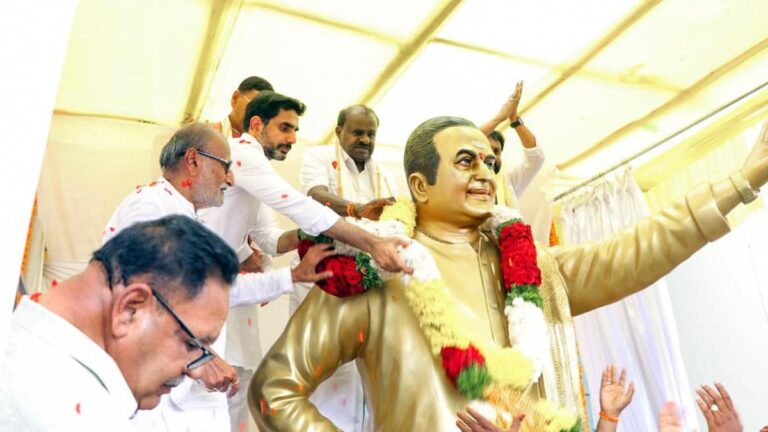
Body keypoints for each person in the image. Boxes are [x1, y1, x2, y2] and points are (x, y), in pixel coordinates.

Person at [250, 116, 768, 431]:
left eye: (489, 164)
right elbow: (274, 389)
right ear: (420, 186)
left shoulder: (531, 269)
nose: (485, 174)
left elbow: (633, 252)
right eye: (466, 162)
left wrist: (742, 182)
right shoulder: (379, 269)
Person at [103, 123, 327, 431]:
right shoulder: (151, 205)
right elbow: (143, 291)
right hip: (148, 388)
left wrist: (292, 276)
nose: (231, 178)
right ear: (193, 160)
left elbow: (211, 290)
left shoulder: (185, 217)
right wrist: (198, 357)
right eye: (225, 166)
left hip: (178, 386)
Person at [0, 215, 239, 430]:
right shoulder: (75, 417)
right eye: (191, 344)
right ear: (130, 309)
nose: (195, 371)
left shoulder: (24, 339)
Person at [290, 104, 398, 430]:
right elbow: (315, 195)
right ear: (339, 132)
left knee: (363, 372)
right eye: (357, 132)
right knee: (323, 367)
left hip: (366, 283)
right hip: (322, 280)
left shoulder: (384, 174)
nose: (365, 139)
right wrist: (356, 209)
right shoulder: (319, 157)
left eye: (371, 134)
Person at [479, 81, 545, 209]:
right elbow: (463, 142)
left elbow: (536, 158)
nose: (492, 156)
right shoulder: (460, 181)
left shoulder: (508, 182)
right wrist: (499, 118)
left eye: (496, 151)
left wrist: (514, 118)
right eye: (486, 149)